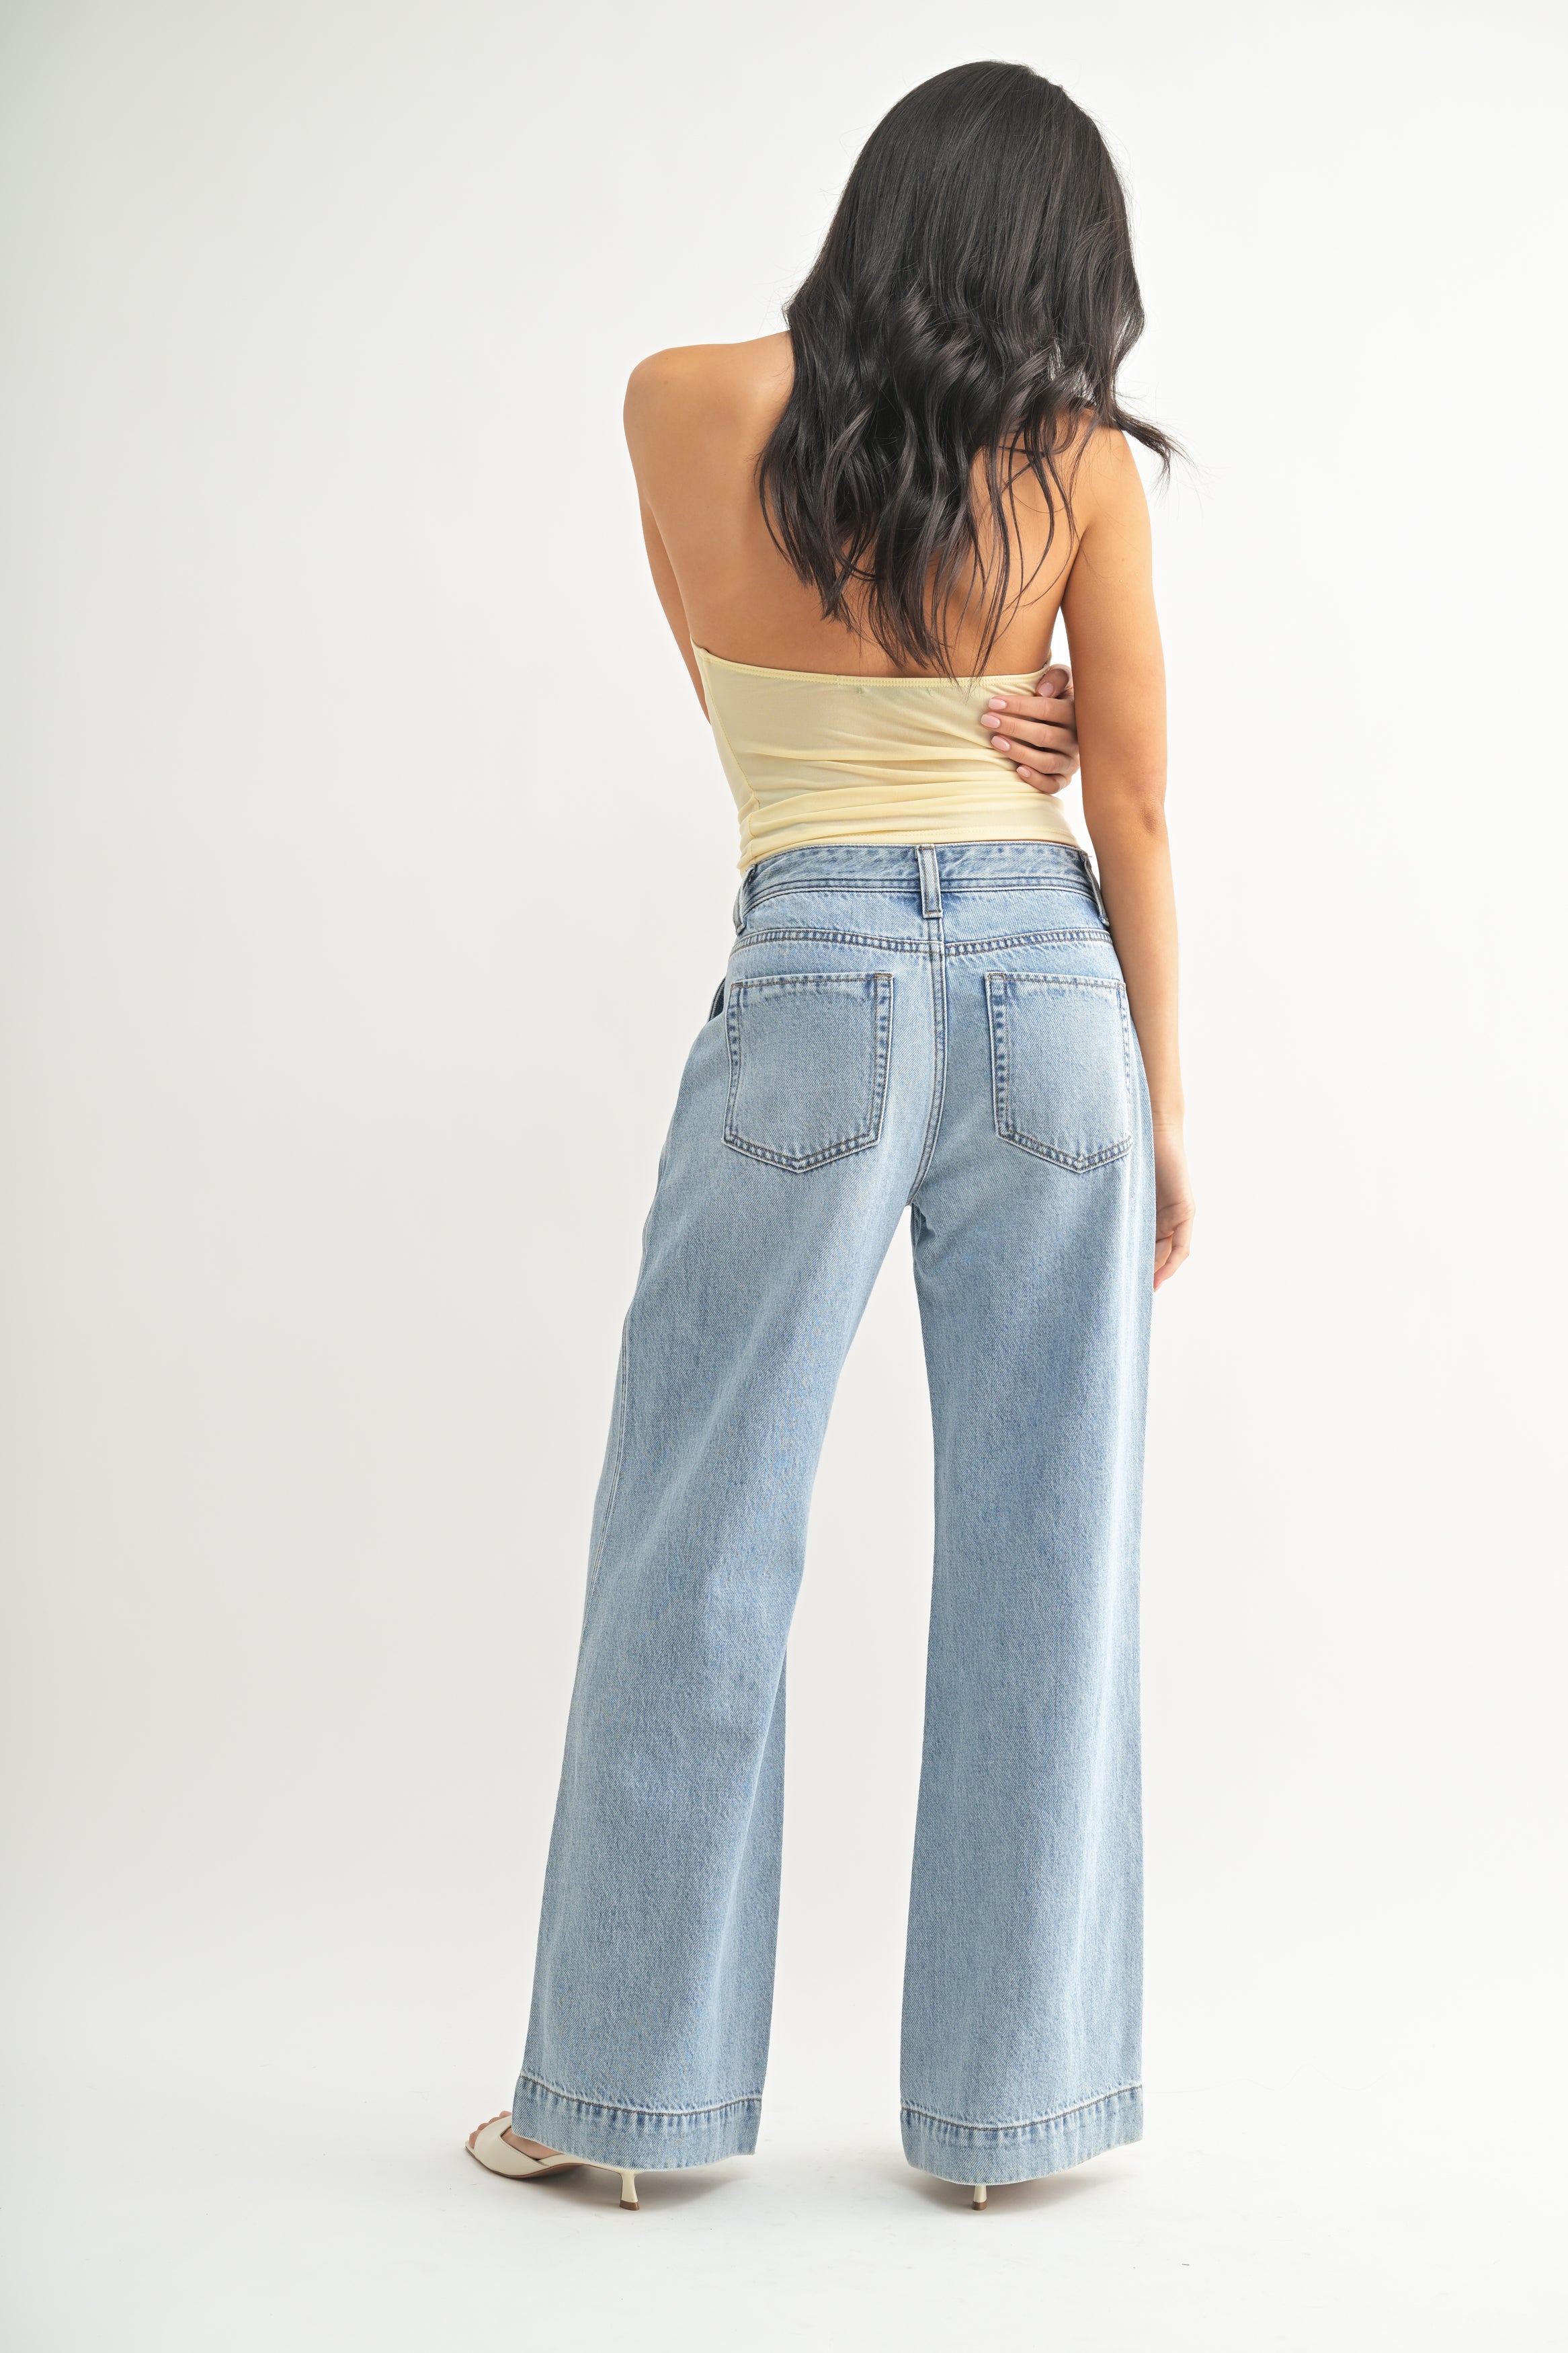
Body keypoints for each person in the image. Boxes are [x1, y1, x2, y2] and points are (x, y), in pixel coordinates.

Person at [467, 58, 1194, 2213]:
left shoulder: (678, 406)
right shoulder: (1074, 466)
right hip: (1054, 995)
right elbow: (1137, 803)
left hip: (814, 976)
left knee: (698, 1533)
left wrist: (892, 724)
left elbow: (742, 711)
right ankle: (1013, 2122)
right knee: (1053, 1554)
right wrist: (1167, 1104)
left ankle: (616, 2106)